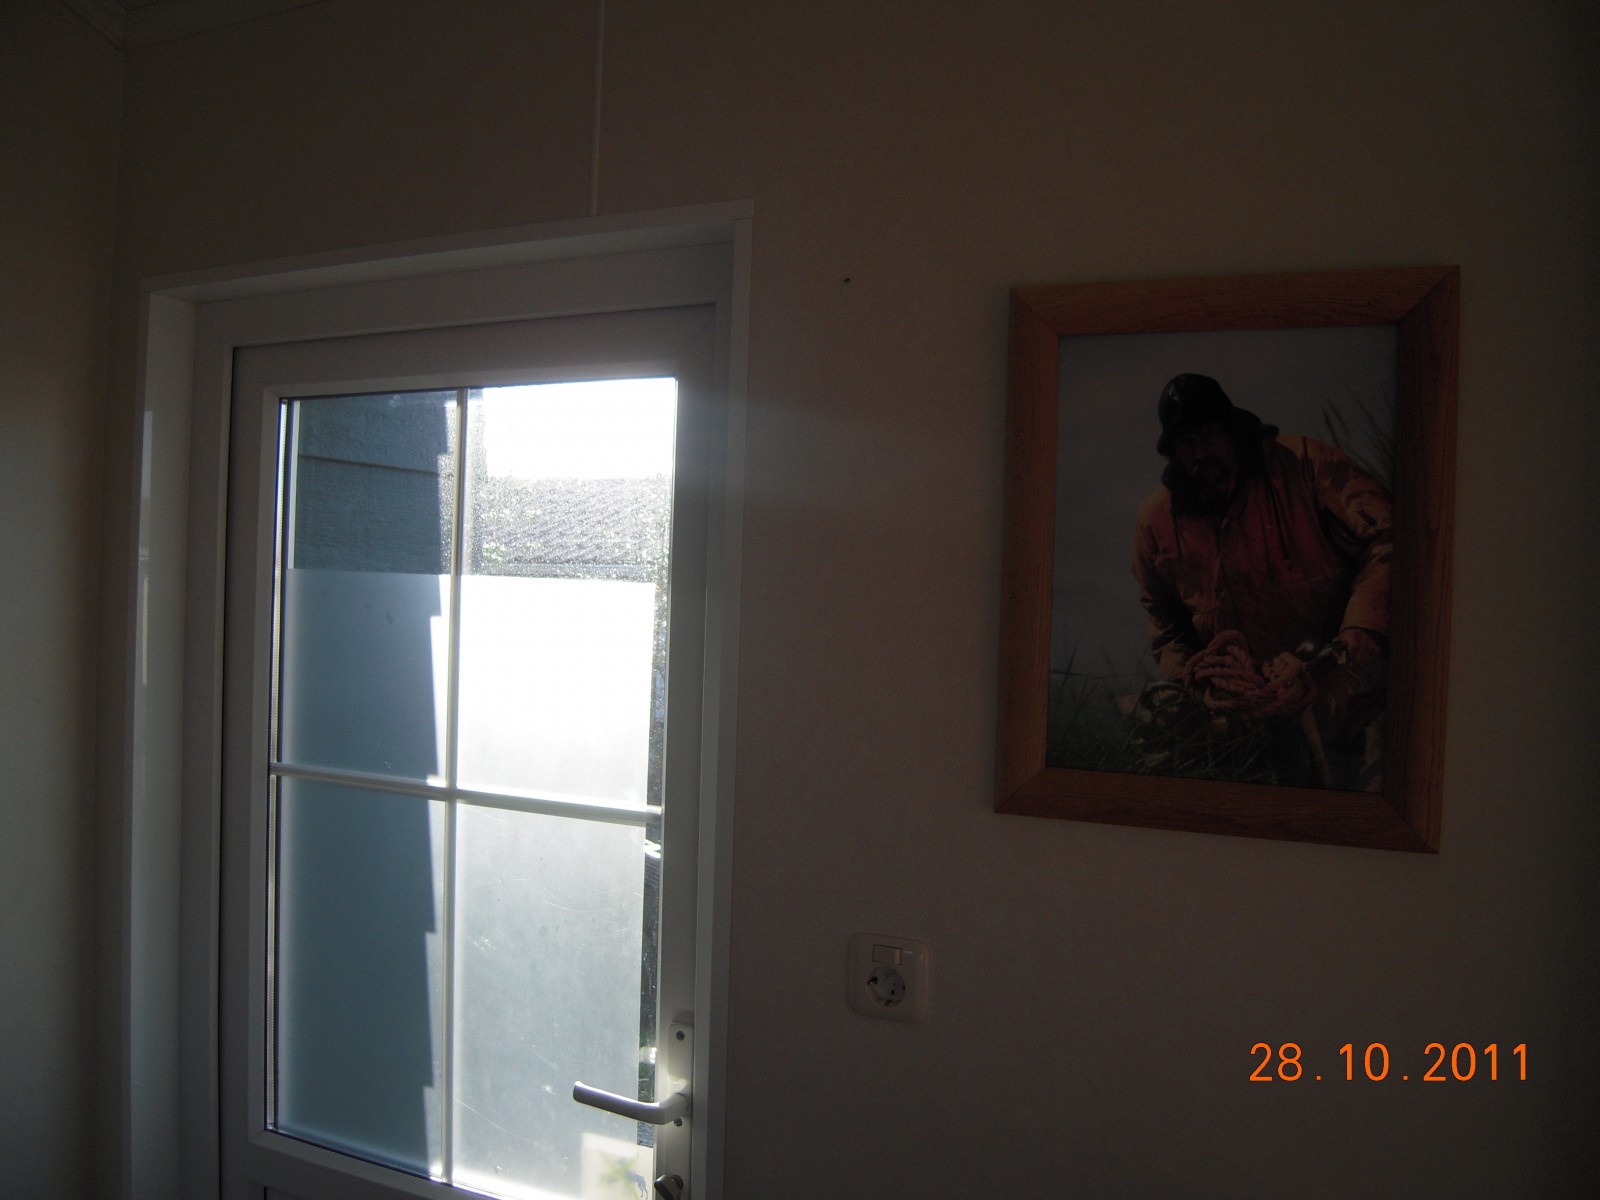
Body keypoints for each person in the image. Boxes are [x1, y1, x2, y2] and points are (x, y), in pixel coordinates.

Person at [1130, 373, 1392, 790]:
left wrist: (1358, 634)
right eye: (1186, 443)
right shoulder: (1157, 522)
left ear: (1232, 429)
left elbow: (1388, 543)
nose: (1200, 453)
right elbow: (1166, 623)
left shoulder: (1305, 465)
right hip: (1247, 717)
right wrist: (1192, 684)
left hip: (1346, 685)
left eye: (1210, 435)